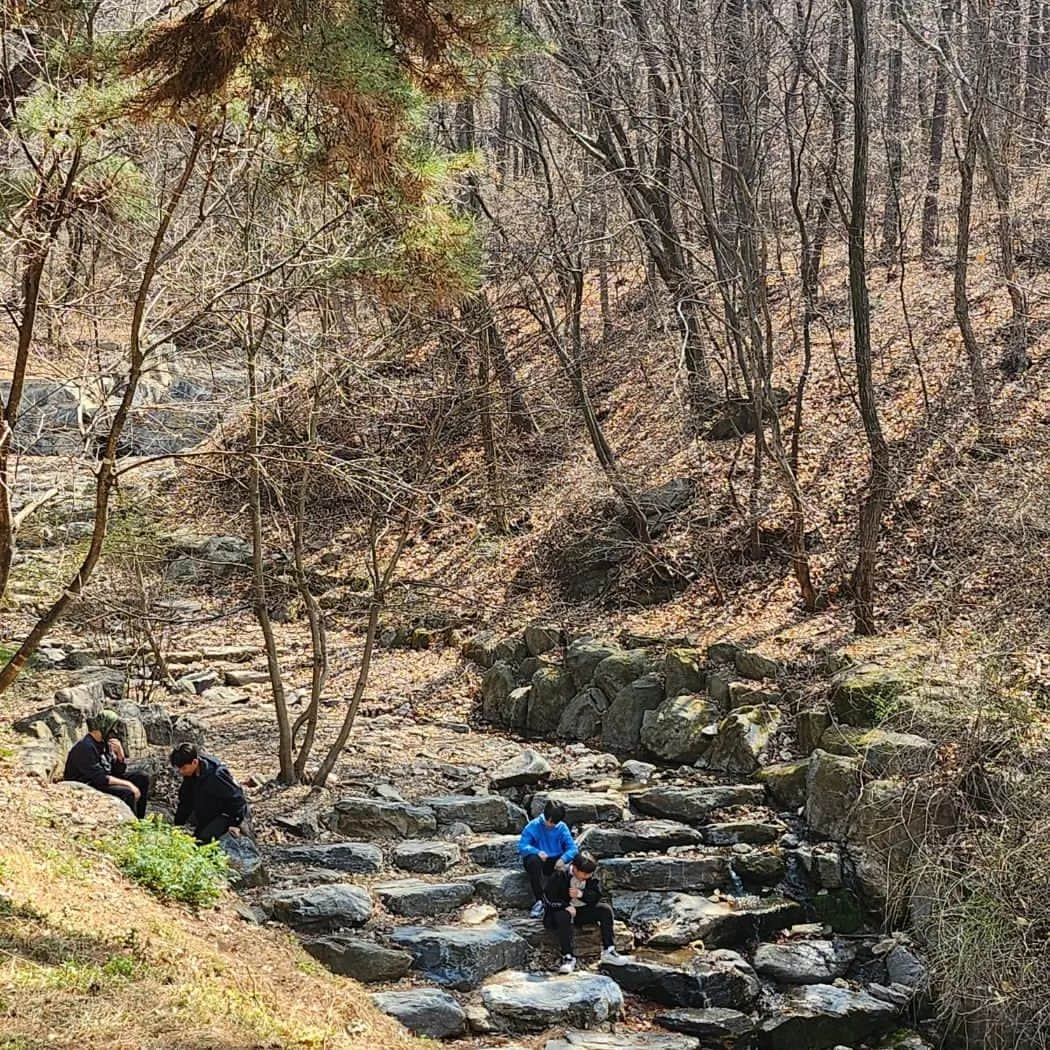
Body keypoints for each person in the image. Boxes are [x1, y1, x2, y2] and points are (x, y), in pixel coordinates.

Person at [543, 851, 623, 973]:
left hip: (581, 911)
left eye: (589, 874)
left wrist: (582, 894)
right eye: (584, 874)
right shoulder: (559, 875)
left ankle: (609, 950)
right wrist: (565, 906)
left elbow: (597, 896)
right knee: (563, 916)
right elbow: (548, 898)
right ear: (574, 868)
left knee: (605, 909)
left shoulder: (591, 877)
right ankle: (568, 957)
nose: (587, 876)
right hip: (560, 913)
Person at [63, 709, 149, 818]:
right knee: (127, 793)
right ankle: (132, 824)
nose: (115, 733)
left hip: (101, 779)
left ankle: (141, 819)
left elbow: (116, 772)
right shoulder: (85, 747)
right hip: (87, 784)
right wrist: (129, 785)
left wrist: (120, 756)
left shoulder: (104, 743)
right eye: (113, 729)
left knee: (141, 778)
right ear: (105, 727)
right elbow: (100, 778)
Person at [170, 742, 249, 844]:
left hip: (226, 814)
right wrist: (178, 825)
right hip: (205, 811)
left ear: (194, 762)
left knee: (203, 840)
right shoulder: (190, 775)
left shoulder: (216, 775)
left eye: (184, 768)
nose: (181, 772)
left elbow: (237, 798)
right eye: (179, 769)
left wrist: (235, 823)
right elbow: (185, 801)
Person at [519, 800, 579, 919]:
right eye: (549, 821)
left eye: (554, 823)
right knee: (532, 861)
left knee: (573, 863)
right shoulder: (533, 826)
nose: (551, 825)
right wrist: (536, 851)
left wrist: (563, 858)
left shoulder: (561, 828)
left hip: (555, 860)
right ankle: (540, 900)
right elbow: (522, 846)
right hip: (539, 860)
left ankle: (567, 900)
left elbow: (573, 849)